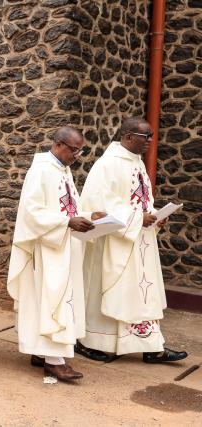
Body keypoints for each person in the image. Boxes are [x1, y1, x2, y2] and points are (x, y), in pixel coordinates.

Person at [76, 117, 187, 364]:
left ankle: (151, 346)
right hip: (115, 243)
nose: (150, 141)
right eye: (145, 136)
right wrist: (138, 217)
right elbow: (98, 205)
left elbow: (138, 201)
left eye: (151, 136)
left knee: (143, 292)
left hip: (140, 242)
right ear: (127, 136)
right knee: (116, 291)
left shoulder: (136, 163)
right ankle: (94, 341)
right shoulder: (108, 164)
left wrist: (155, 216)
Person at [7, 127, 106, 382]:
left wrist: (88, 216)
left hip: (64, 247)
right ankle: (54, 361)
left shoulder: (63, 170)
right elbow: (32, 212)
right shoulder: (41, 170)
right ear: (59, 144)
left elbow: (69, 208)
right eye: (74, 150)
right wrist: (67, 223)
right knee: (52, 300)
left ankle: (41, 353)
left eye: (79, 150)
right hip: (48, 249)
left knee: (54, 300)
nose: (77, 155)